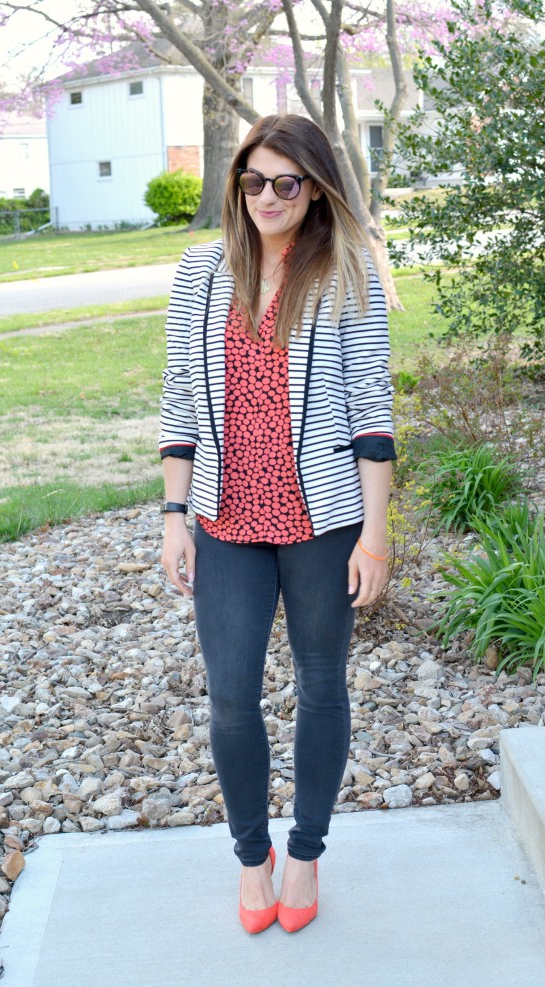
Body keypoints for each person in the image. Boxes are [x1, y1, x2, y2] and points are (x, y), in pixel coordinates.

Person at [159, 113, 396, 935]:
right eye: (252, 180)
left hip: (321, 519)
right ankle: (250, 857)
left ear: (315, 187)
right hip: (224, 518)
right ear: (236, 187)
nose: (267, 196)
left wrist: (375, 534)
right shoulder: (199, 272)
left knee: (319, 683)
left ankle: (305, 851)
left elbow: (371, 408)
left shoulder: (345, 271)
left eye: (285, 182)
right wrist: (173, 515)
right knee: (230, 697)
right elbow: (179, 399)